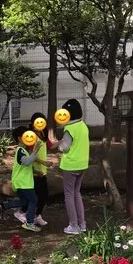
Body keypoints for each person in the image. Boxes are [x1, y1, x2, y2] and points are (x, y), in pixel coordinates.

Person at [49, 99, 90, 235]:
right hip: (83, 164)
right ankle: (82, 224)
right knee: (76, 193)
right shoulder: (83, 125)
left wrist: (59, 145)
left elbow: (65, 148)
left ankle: (73, 226)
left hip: (71, 165)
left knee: (69, 194)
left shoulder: (69, 128)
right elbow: (76, 141)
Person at [0, 126, 42, 233]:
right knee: (33, 200)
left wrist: (36, 172)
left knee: (26, 201)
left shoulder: (23, 150)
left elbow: (25, 165)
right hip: (23, 183)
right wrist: (35, 152)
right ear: (20, 138)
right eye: (27, 136)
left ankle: (4, 205)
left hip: (24, 183)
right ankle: (29, 223)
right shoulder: (20, 151)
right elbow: (26, 162)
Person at [14, 112, 53, 227]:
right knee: (34, 198)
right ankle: (26, 216)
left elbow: (51, 145)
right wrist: (43, 163)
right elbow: (30, 156)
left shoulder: (43, 135)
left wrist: (64, 141)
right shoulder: (31, 137)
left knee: (41, 196)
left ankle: (34, 216)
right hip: (34, 173)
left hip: (42, 171)